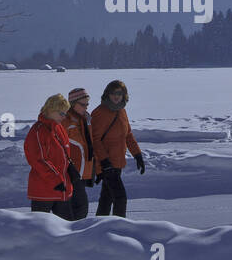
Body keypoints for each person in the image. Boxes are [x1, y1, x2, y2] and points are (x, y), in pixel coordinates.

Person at [89, 79, 145, 217]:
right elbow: (95, 140)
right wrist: (104, 162)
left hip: (117, 162)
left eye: (119, 93)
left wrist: (137, 154)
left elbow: (128, 135)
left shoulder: (121, 111)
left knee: (106, 198)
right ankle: (120, 228)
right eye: (113, 93)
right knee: (120, 198)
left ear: (124, 95)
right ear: (107, 94)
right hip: (107, 165)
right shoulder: (100, 112)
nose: (116, 96)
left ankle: (99, 227)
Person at [23, 94, 79, 220]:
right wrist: (57, 180)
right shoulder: (38, 131)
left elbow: (64, 153)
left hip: (61, 189)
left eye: (65, 114)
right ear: (50, 110)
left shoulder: (58, 128)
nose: (64, 117)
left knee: (67, 227)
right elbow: (39, 160)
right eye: (61, 113)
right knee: (40, 229)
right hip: (44, 190)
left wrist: (69, 168)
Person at [61, 87, 96, 221]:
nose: (86, 107)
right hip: (70, 172)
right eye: (83, 104)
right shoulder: (65, 121)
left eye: (87, 103)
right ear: (73, 103)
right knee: (78, 209)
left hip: (82, 171)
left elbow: (89, 145)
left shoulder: (86, 119)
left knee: (80, 209)